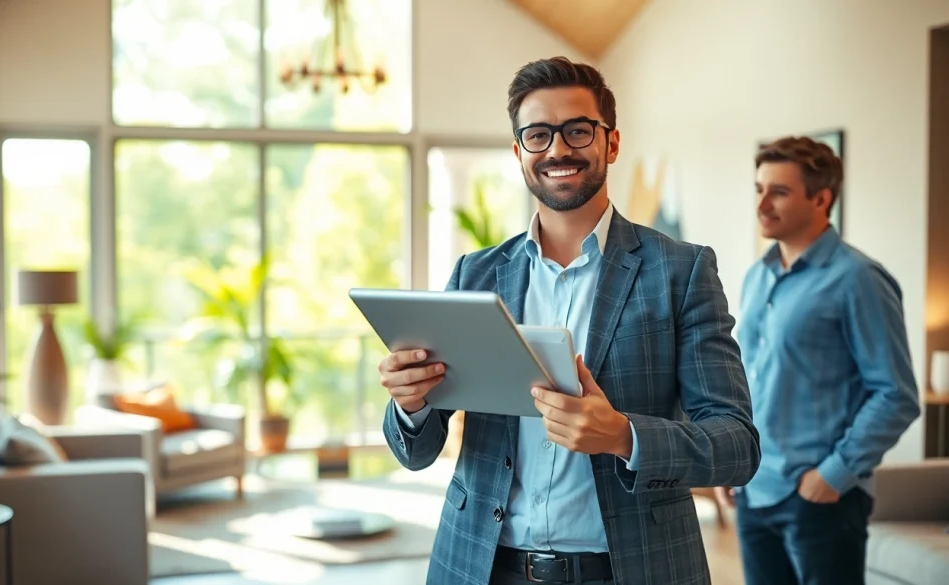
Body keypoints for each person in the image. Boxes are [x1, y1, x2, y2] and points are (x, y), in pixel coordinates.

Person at [378, 56, 760, 585]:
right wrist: (410, 403)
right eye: (538, 135)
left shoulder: (681, 271)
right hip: (480, 567)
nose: (558, 149)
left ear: (612, 143)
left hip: (632, 570)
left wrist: (625, 436)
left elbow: (737, 445)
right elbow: (416, 452)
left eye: (578, 130)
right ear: (519, 152)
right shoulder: (476, 274)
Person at [715, 136, 921, 585]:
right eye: (758, 189)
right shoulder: (757, 276)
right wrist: (730, 460)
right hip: (753, 488)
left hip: (820, 498)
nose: (762, 204)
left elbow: (896, 395)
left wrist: (833, 474)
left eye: (779, 192)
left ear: (821, 198)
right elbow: (745, 377)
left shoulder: (859, 279)